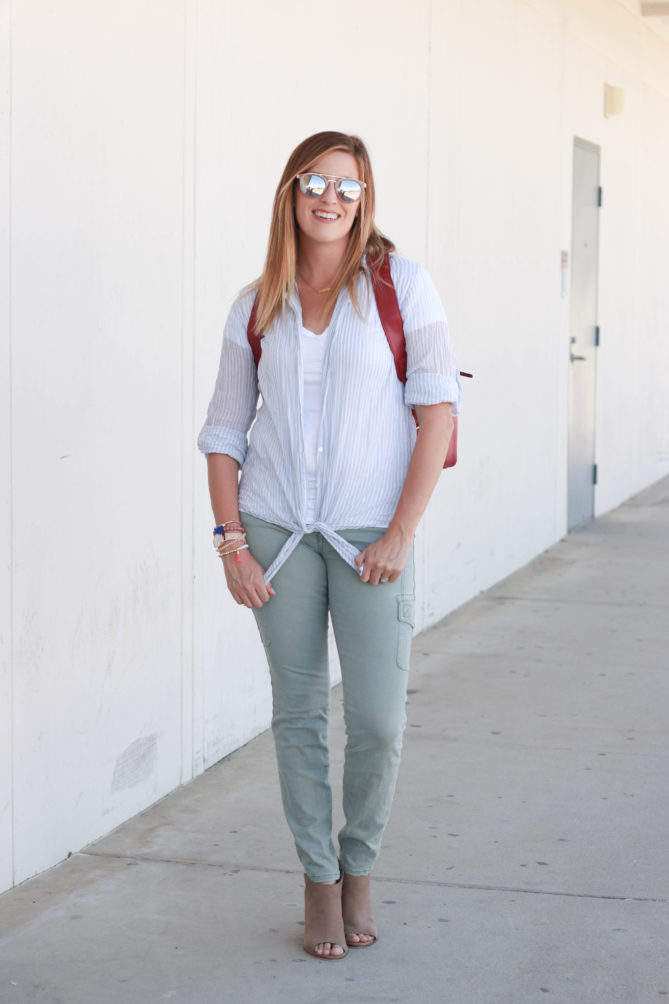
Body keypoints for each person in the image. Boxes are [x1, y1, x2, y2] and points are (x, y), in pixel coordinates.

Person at [198, 130, 461, 960]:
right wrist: (231, 543)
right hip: (275, 536)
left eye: (346, 187)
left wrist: (399, 534)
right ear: (290, 192)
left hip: (367, 542)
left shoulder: (400, 287)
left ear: (364, 199)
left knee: (378, 722)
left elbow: (437, 415)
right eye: (314, 181)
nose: (328, 197)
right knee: (299, 716)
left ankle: (359, 868)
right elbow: (223, 432)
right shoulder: (255, 304)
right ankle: (317, 879)